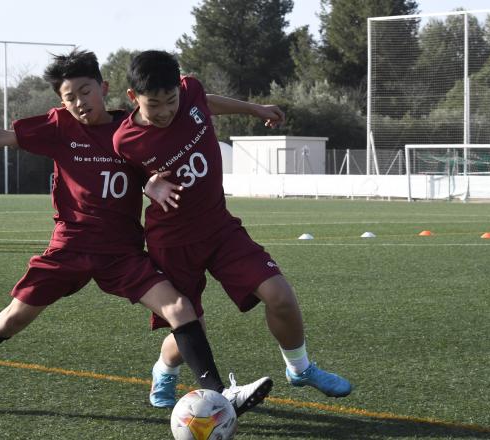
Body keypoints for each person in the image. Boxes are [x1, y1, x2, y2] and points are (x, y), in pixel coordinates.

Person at [0, 49, 271, 415]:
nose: (79, 102)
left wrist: (152, 186)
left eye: (85, 91)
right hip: (70, 248)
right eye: (69, 96)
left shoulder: (131, 129)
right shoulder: (58, 127)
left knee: (179, 307)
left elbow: (156, 167)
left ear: (104, 87)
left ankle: (221, 394)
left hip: (122, 254)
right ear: (61, 101)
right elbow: (1, 136)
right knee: (12, 318)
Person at [112, 50, 353, 408]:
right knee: (191, 330)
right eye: (154, 104)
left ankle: (300, 369)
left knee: (281, 297)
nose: (164, 111)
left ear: (180, 88)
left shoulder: (191, 91)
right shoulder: (125, 140)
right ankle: (164, 369)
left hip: (220, 227)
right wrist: (149, 185)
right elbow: (127, 184)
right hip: (173, 241)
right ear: (134, 97)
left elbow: (205, 101)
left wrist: (254, 109)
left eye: (171, 100)